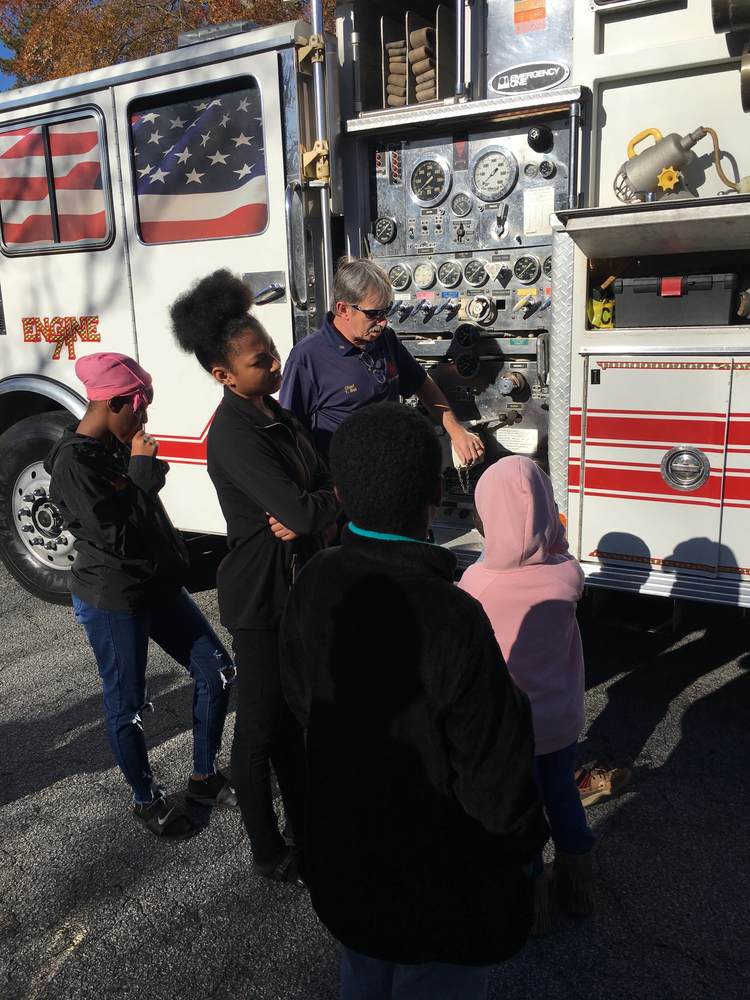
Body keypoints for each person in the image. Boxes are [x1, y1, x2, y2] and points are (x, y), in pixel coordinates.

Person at [280, 403, 548, 1000]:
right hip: (443, 895)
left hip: (347, 865)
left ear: (341, 492)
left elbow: (301, 701)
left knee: (363, 978)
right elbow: (495, 778)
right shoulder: (454, 617)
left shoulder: (316, 580)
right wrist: (523, 858)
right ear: (435, 497)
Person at [170, 270, 340, 882]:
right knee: (259, 735)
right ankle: (268, 853)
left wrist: (323, 500)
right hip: (261, 597)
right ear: (223, 375)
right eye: (260, 361)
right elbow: (300, 508)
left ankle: (307, 831)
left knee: (295, 724)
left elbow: (320, 485)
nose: (275, 366)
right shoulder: (236, 435)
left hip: (298, 586)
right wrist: (317, 505)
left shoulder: (277, 415)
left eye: (271, 353)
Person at [46, 352, 236, 841]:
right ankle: (144, 798)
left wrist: (140, 470)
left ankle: (204, 776)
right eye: (138, 405)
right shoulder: (72, 462)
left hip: (157, 585)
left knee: (217, 669)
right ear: (111, 403)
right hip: (114, 596)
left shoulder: (115, 443)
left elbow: (138, 507)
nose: (145, 415)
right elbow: (114, 536)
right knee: (128, 704)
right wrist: (141, 474)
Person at [459, 455, 611, 932]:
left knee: (519, 807)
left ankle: (532, 898)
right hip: (559, 720)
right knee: (562, 794)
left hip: (508, 726)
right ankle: (578, 881)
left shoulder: (475, 584)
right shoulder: (567, 576)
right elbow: (559, 549)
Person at [279, 256, 485, 465]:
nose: (383, 322)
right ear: (343, 310)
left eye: (385, 311)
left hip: (393, 469)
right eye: (373, 314)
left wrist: (456, 430)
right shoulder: (306, 358)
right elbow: (290, 434)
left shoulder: (385, 339)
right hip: (346, 482)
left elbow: (421, 383)